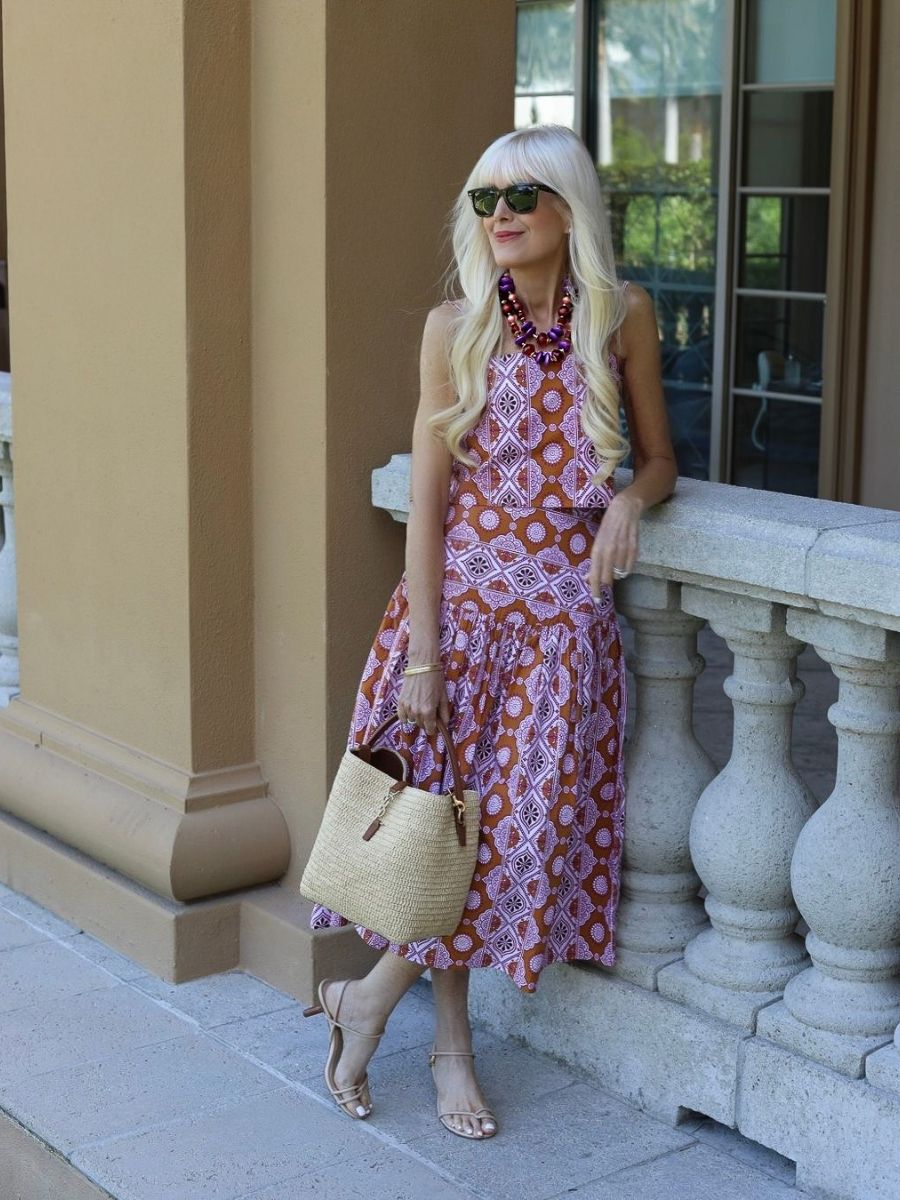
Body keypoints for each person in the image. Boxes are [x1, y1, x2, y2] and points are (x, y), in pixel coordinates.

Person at [305, 124, 677, 1140]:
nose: (500, 215)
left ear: (568, 210)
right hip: (460, 628)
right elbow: (426, 507)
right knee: (448, 837)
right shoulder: (457, 327)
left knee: (506, 843)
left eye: (521, 195)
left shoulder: (622, 317)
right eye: (484, 200)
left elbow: (659, 458)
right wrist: (422, 657)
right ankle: (446, 1043)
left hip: (562, 640)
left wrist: (627, 503)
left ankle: (370, 1000)